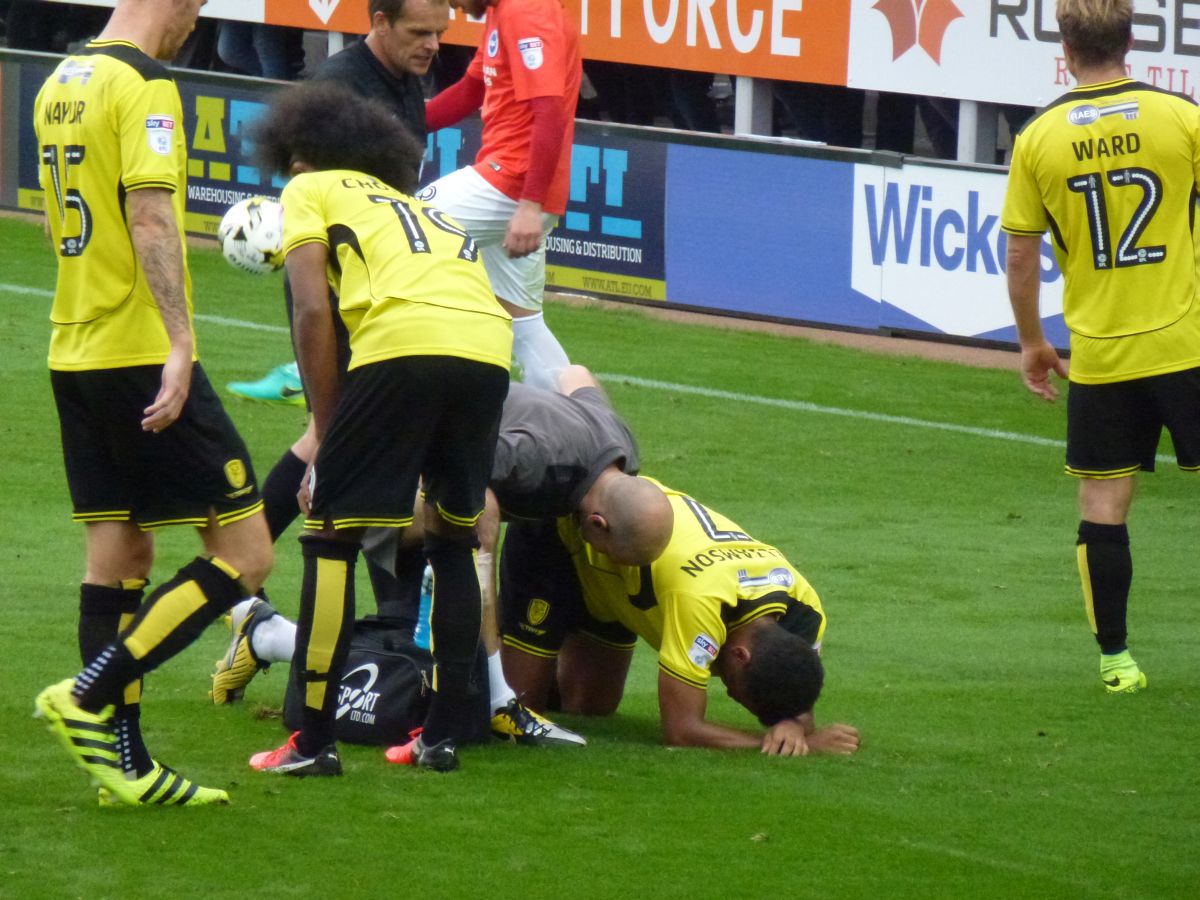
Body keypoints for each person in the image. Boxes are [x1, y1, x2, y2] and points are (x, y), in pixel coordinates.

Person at [31, 0, 275, 807]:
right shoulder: (144, 83)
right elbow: (149, 214)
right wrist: (178, 342)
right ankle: (88, 694)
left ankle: (124, 770)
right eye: (194, 9)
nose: (192, 25)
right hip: (137, 351)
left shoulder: (60, 78)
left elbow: (58, 221)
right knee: (246, 553)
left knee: (120, 558)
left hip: (75, 346)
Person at [245, 80, 512, 776]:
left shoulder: (311, 188)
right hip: (487, 352)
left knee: (329, 536)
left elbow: (310, 311)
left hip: (403, 345)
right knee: (454, 540)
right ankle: (441, 737)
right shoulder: (420, 209)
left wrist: (326, 441)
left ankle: (309, 742)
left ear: (301, 153)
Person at [214, 365, 672, 750]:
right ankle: (498, 700)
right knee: (476, 518)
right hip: (384, 474)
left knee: (429, 660)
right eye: (612, 555)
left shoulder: (620, 444)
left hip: (412, 464)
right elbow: (451, 469)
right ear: (597, 525)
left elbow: (576, 375)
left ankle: (265, 635)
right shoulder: (536, 460)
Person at [1001, 0, 1200, 694]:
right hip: (1189, 341)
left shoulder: (1039, 138)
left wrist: (1032, 341)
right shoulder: (1181, 117)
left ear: (1063, 44)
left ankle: (1117, 662)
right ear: (1133, 38)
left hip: (1103, 355)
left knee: (1103, 507)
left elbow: (1021, 256)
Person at [499, 484, 860, 755]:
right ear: (739, 656)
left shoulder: (804, 611)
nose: (731, 694)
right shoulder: (702, 601)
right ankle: (459, 670)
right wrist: (790, 745)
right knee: (519, 710)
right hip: (567, 541)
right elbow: (681, 731)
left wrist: (792, 725)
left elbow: (794, 693)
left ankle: (537, 651)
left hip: (617, 583)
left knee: (591, 706)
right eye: (739, 694)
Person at [225, 0, 449, 406]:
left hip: (378, 285)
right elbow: (304, 180)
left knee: (349, 440)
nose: (433, 45)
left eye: (439, 34)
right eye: (419, 33)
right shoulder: (339, 86)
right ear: (381, 23)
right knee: (335, 436)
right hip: (338, 291)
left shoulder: (406, 77)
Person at [418, 0, 581, 391]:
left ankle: (337, 371)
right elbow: (469, 91)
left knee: (398, 226)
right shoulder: (501, 11)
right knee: (523, 322)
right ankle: (587, 432)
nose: (453, 6)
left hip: (513, 185)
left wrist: (530, 204)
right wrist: (394, 124)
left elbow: (550, 108)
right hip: (514, 186)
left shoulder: (526, 10)